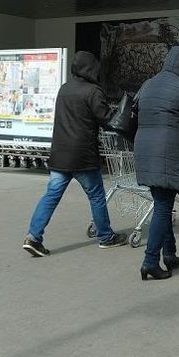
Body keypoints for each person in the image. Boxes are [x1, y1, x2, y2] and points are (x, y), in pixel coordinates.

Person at [22, 52, 127, 256]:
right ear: (92, 69)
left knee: (51, 195)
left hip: (60, 154)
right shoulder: (93, 91)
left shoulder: (64, 89)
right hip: (82, 156)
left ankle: (33, 237)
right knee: (96, 195)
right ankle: (106, 237)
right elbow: (106, 120)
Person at [133, 46, 179, 281]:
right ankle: (150, 262)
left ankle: (170, 253)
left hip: (144, 149)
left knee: (162, 202)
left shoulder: (148, 84)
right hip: (167, 151)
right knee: (164, 206)